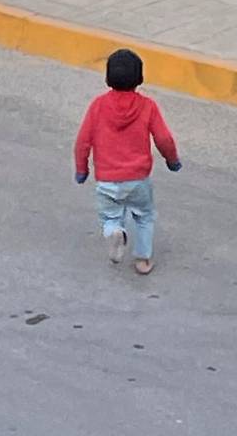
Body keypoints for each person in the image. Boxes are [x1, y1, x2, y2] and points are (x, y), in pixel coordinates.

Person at [74, 49, 181, 275]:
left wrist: (81, 169)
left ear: (108, 78)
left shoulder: (98, 106)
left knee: (110, 217)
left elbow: (83, 140)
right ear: (139, 78)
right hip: (138, 179)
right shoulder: (148, 106)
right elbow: (163, 138)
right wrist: (172, 160)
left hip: (107, 180)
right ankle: (142, 259)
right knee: (144, 217)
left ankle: (114, 232)